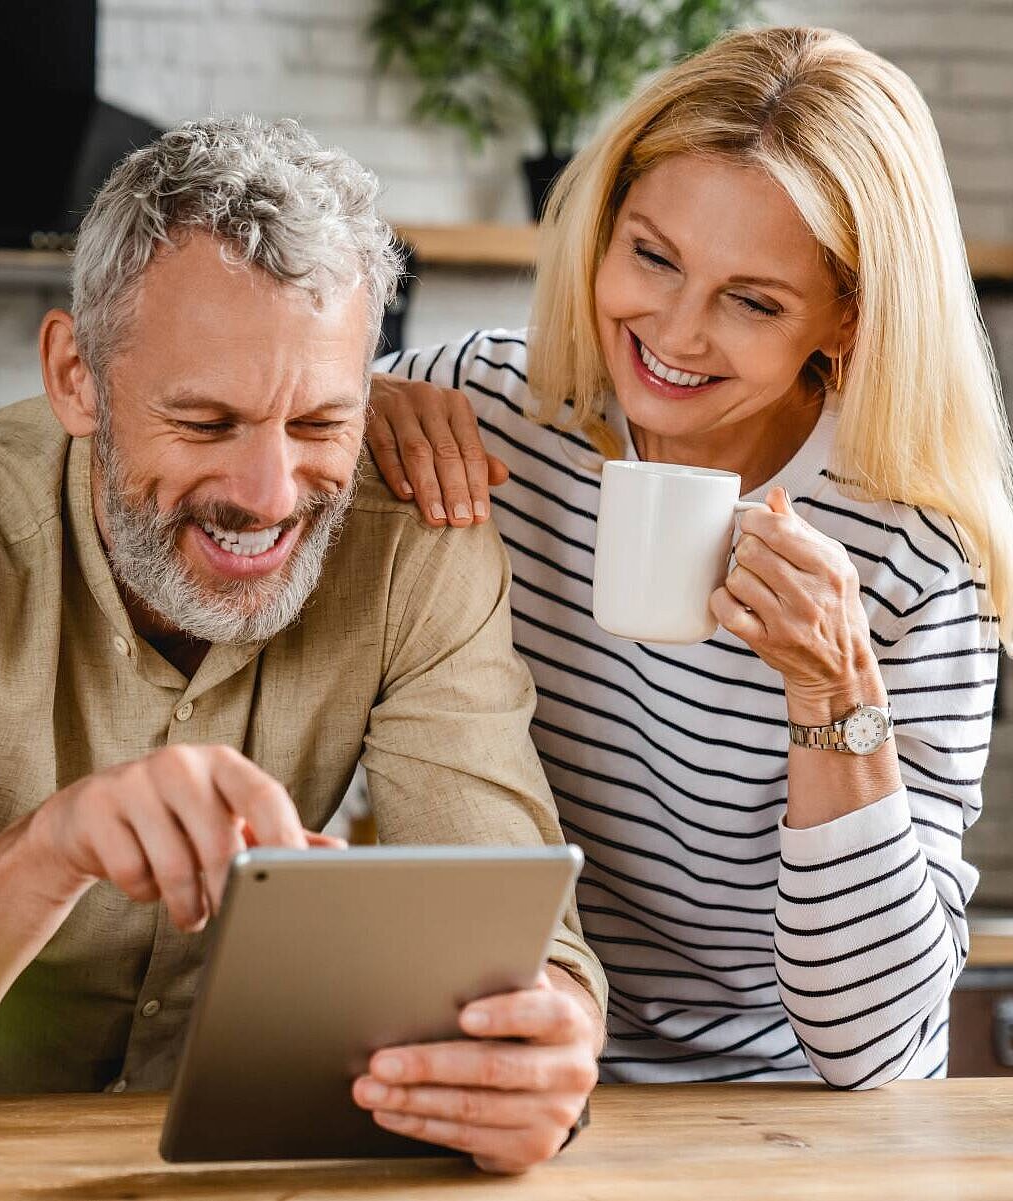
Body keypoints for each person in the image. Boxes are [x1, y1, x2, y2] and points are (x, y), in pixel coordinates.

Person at [0, 117, 606, 1174]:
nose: (270, 497)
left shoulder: (418, 543)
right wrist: (52, 848)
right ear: (76, 378)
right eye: (205, 422)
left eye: (321, 423)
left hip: (247, 1167)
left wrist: (544, 1055)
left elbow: (520, 940)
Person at [369, 25, 1013, 1088]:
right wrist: (346, 407)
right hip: (492, 1058)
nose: (672, 333)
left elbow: (881, 1053)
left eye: (753, 301)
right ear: (602, 228)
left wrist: (835, 690)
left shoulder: (913, 555)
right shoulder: (489, 409)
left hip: (769, 1115)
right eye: (651, 256)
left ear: (846, 318)